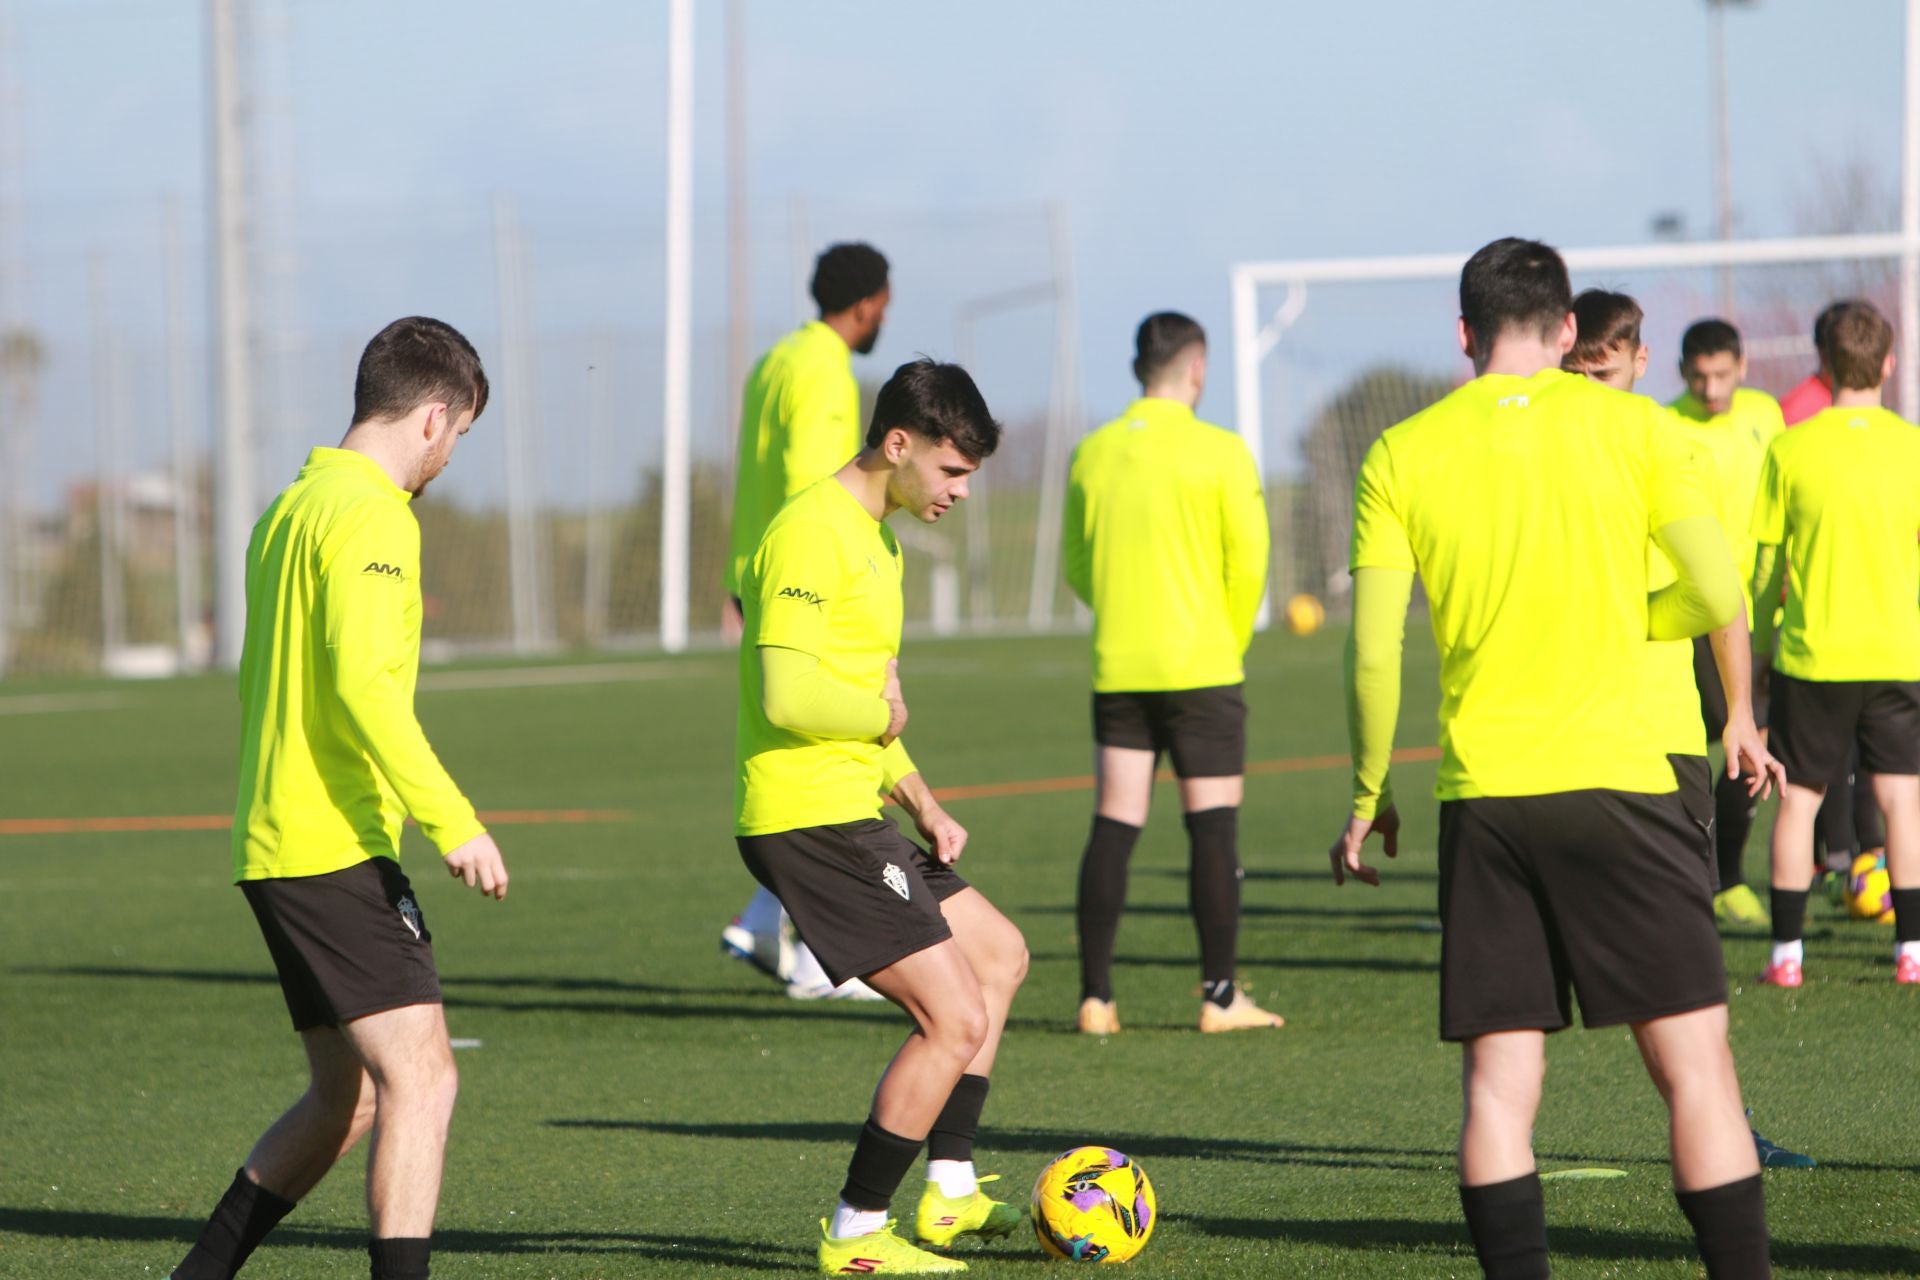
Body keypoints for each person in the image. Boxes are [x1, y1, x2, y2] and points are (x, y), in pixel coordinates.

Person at [1334, 239, 1771, 1277]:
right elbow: (1718, 592)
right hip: (1628, 778)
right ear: (1569, 331)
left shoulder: (1401, 452)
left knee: (1497, 1088)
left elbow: (1370, 652)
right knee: (1696, 1070)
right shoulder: (1643, 428)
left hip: (1486, 794)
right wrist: (1636, 616)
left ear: (1463, 333)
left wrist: (1367, 792)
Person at [171, 317, 510, 1280]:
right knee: (424, 1078)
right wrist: (456, 822)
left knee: (348, 1100)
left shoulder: (291, 506)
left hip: (274, 840)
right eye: (460, 438)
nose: (449, 460)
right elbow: (364, 687)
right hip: (329, 844)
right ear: (435, 417)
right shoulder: (373, 515)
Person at [733, 358, 1030, 1272]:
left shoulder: (883, 541)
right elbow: (789, 694)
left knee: (1000, 956)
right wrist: (883, 718)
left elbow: (866, 709)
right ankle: (857, 1233)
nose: (960, 492)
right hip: (805, 819)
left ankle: (948, 1193)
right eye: (951, 471)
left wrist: (925, 802)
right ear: (898, 445)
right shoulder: (810, 531)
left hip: (853, 806)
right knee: (953, 1019)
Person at [1564, 290, 1812, 1171]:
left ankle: (1503, 1166)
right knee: (1677, 964)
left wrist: (1739, 711)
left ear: (1635, 359)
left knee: (1636, 973)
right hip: (1633, 742)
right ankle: (1726, 1133)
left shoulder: (1562, 446)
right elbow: (1717, 590)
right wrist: (1736, 710)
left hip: (1578, 740)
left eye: (1603, 367)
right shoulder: (1660, 445)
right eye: (1584, 368)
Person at [1062, 311, 1279, 1035]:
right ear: (1197, 368)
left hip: (1119, 664)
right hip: (1203, 665)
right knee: (1212, 829)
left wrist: (1124, 610)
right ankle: (1220, 997)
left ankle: (1096, 998)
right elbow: (1249, 562)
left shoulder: (1092, 452)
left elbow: (1077, 567)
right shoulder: (1220, 451)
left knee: (1114, 825)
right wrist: (1227, 635)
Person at [720, 242, 892, 1001]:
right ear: (867, 303)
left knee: (804, 757)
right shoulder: (825, 368)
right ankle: (828, 958)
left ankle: (765, 921)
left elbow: (749, 473)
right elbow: (814, 486)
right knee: (834, 751)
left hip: (759, 574)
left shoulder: (775, 360)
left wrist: (738, 576)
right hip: (806, 586)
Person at [1751, 299, 1920, 989]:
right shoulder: (1912, 447)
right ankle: (1912, 952)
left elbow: (1765, 570)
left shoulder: (1790, 448)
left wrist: (1757, 656)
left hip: (1813, 657)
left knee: (1800, 803)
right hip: (1896, 653)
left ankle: (1787, 957)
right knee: (1902, 802)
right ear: (1888, 363)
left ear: (1822, 366)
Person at [1667, 318, 1786, 927]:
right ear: (1682, 373)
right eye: (1698, 376)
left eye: (1721, 374)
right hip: (1696, 616)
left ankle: (1714, 878)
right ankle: (1721, 879)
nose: (1711, 388)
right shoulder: (1666, 426)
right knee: (1737, 748)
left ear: (1742, 366)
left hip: (1762, 616)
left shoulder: (1768, 414)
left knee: (1750, 751)